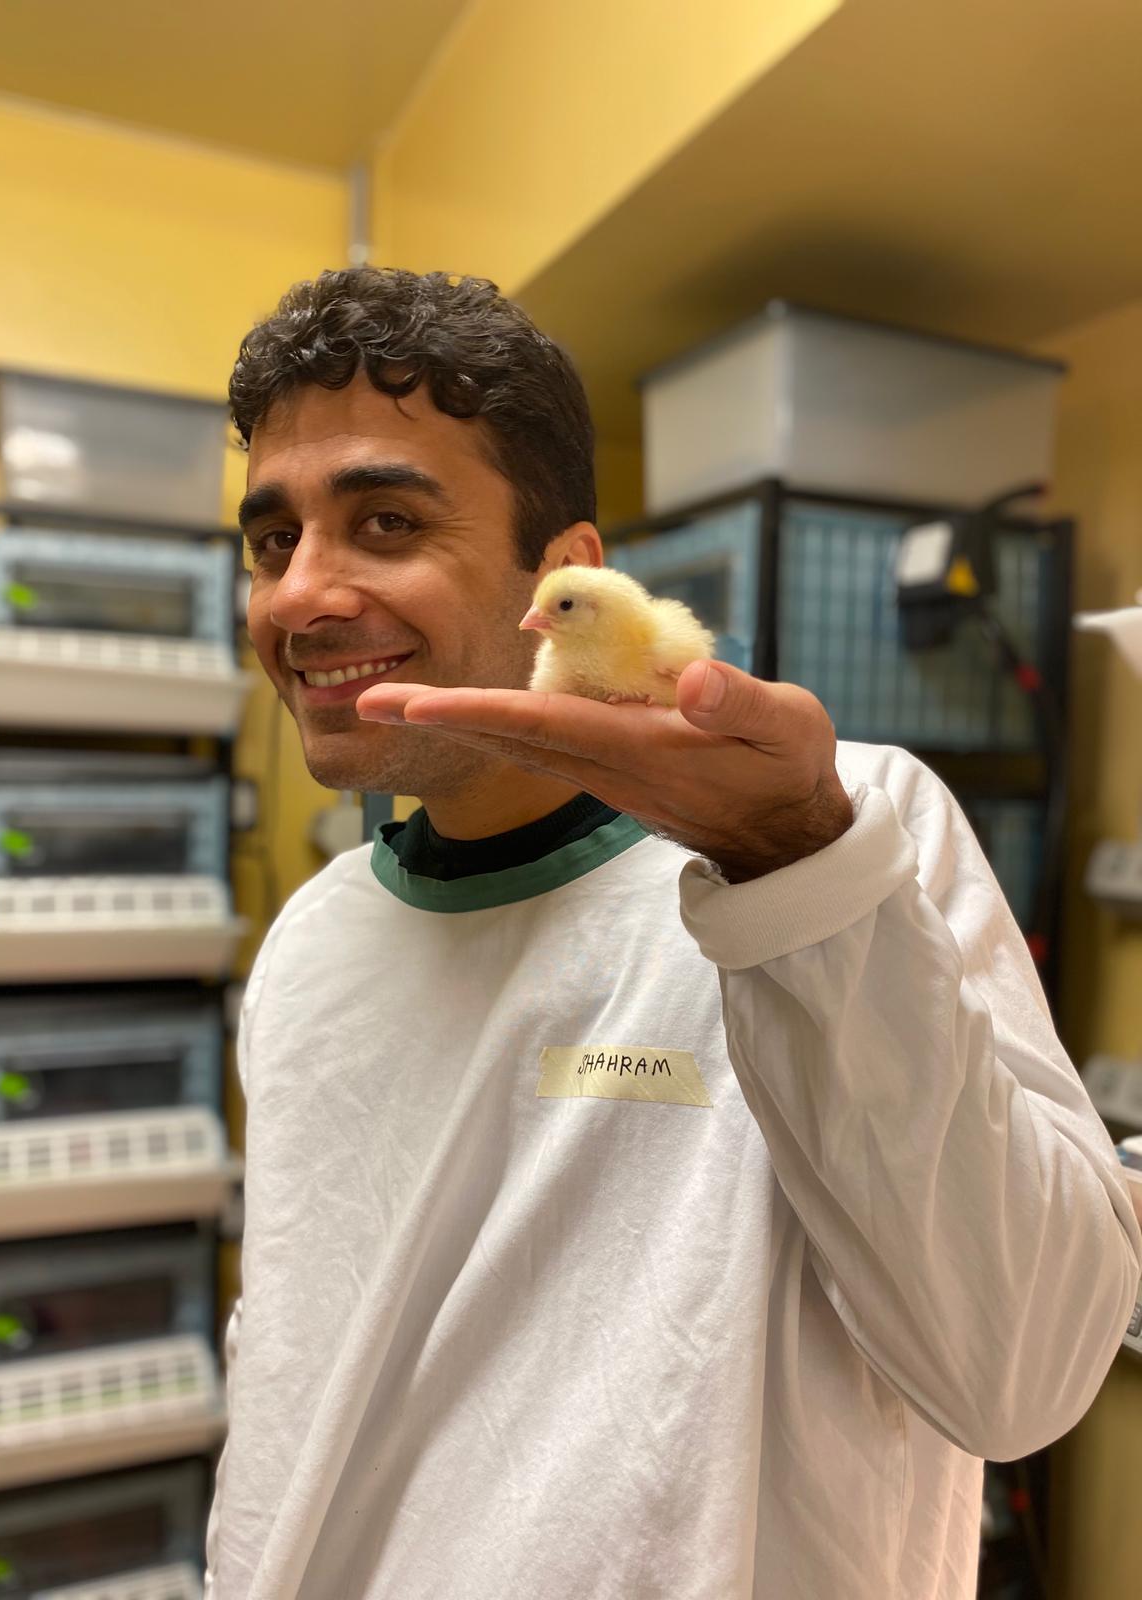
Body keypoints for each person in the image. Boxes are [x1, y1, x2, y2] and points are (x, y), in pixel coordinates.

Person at [206, 267, 1140, 1600]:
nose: (301, 595)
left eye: (387, 522)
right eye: (271, 539)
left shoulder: (855, 837)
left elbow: (1027, 1370)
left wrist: (796, 876)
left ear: (565, 573)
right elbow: (291, 1378)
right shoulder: (312, 943)